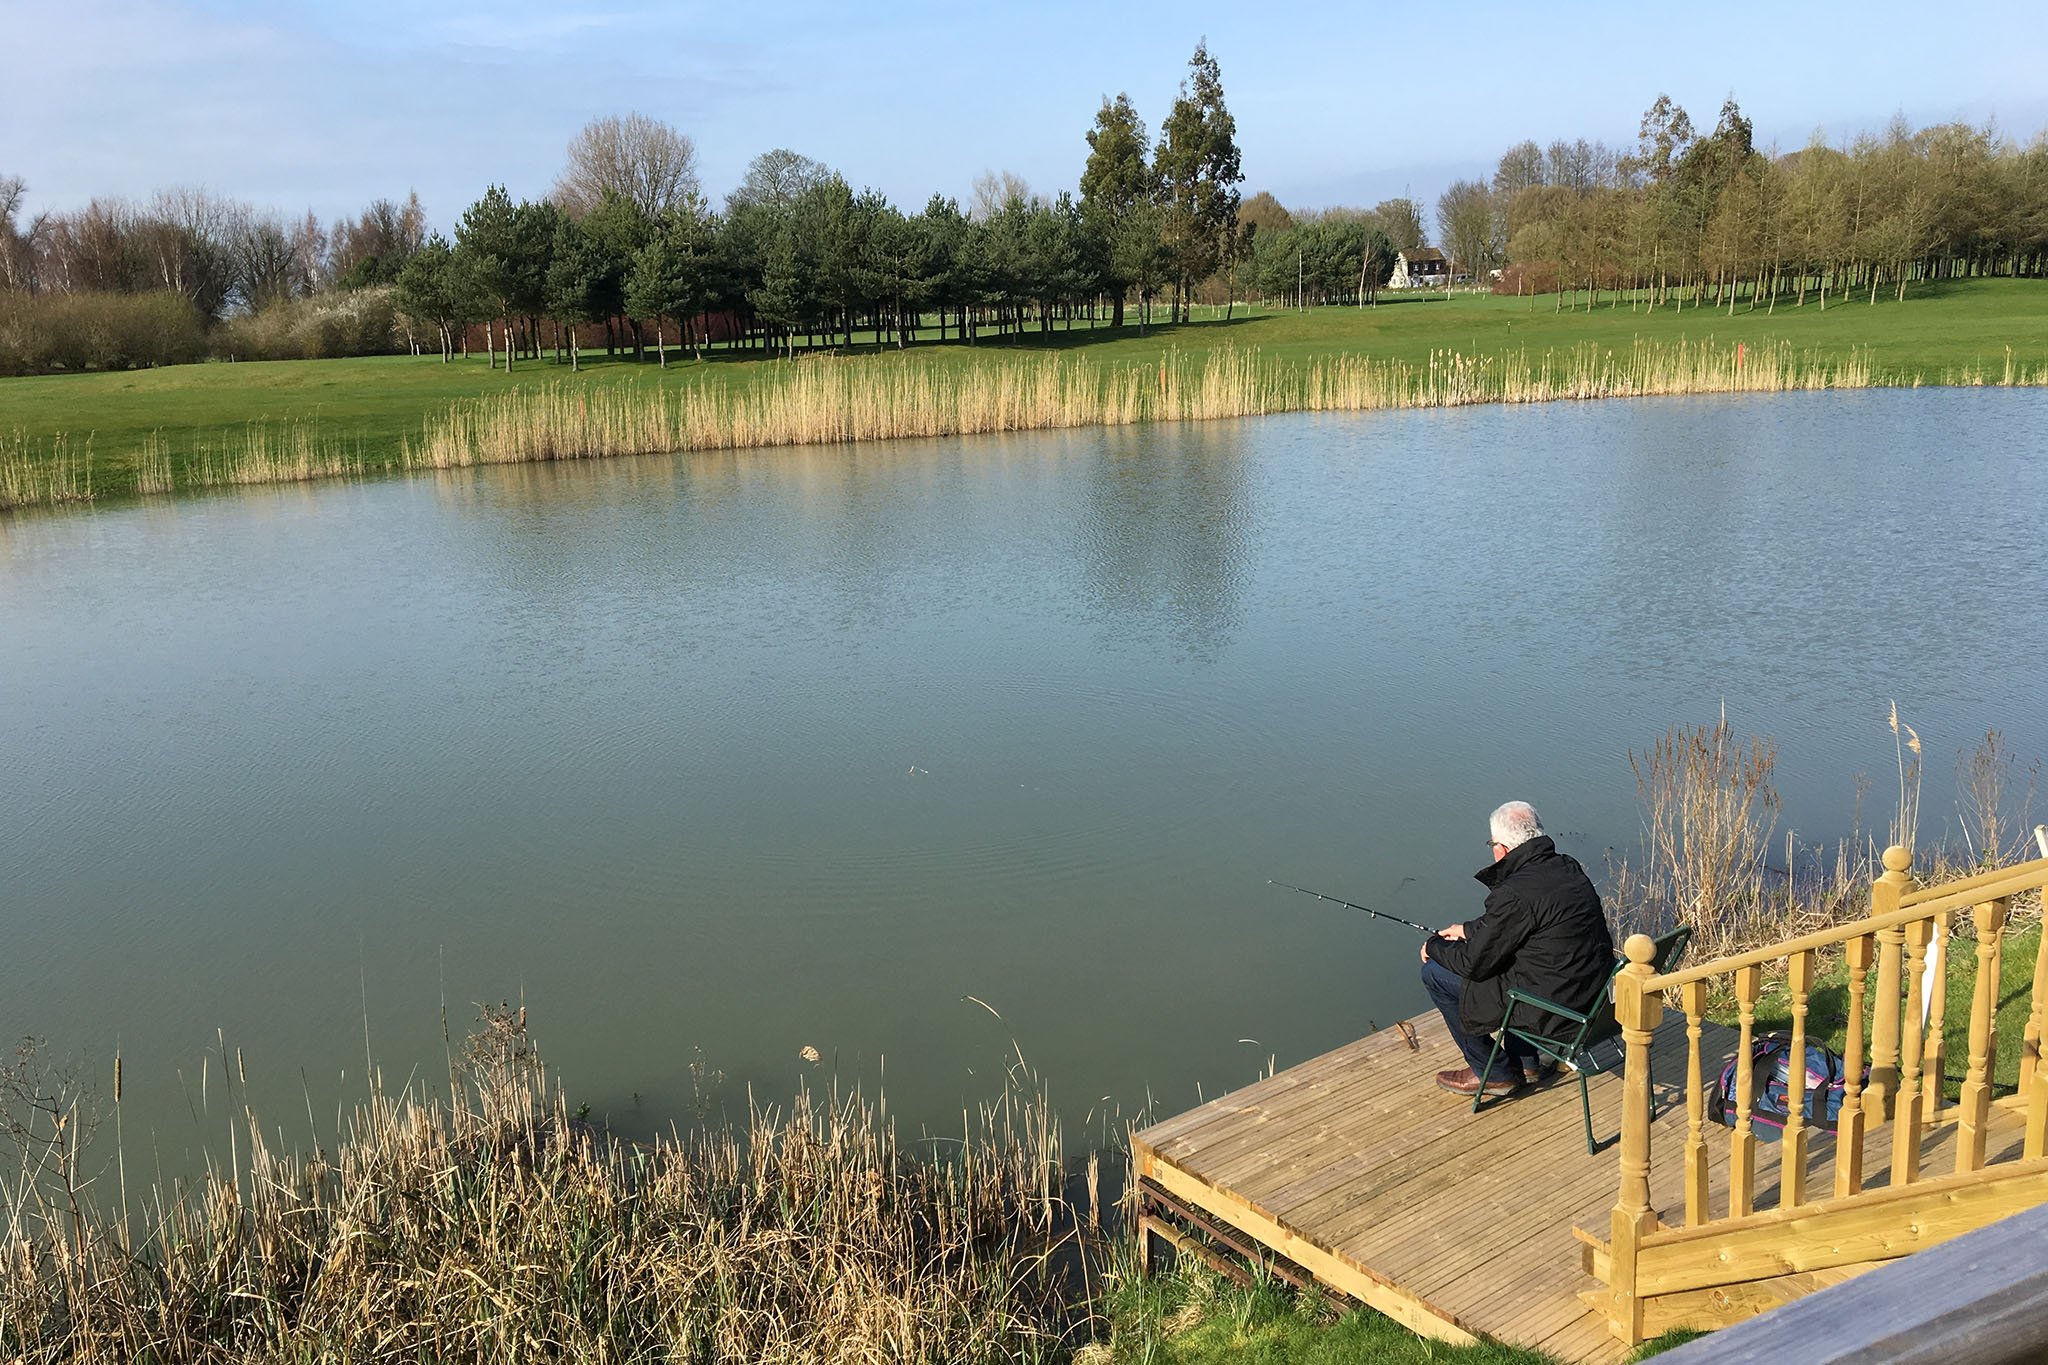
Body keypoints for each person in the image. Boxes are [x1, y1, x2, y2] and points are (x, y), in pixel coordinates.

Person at [1419, 800, 1614, 1098]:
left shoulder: (1515, 891)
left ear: (1502, 849)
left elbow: (1474, 963)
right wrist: (1468, 930)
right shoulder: (1566, 868)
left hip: (1554, 1010)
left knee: (1434, 974)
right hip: (1589, 998)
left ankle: (1492, 1071)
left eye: (1492, 843)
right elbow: (1525, 924)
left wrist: (1434, 947)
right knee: (1530, 963)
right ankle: (1525, 1062)